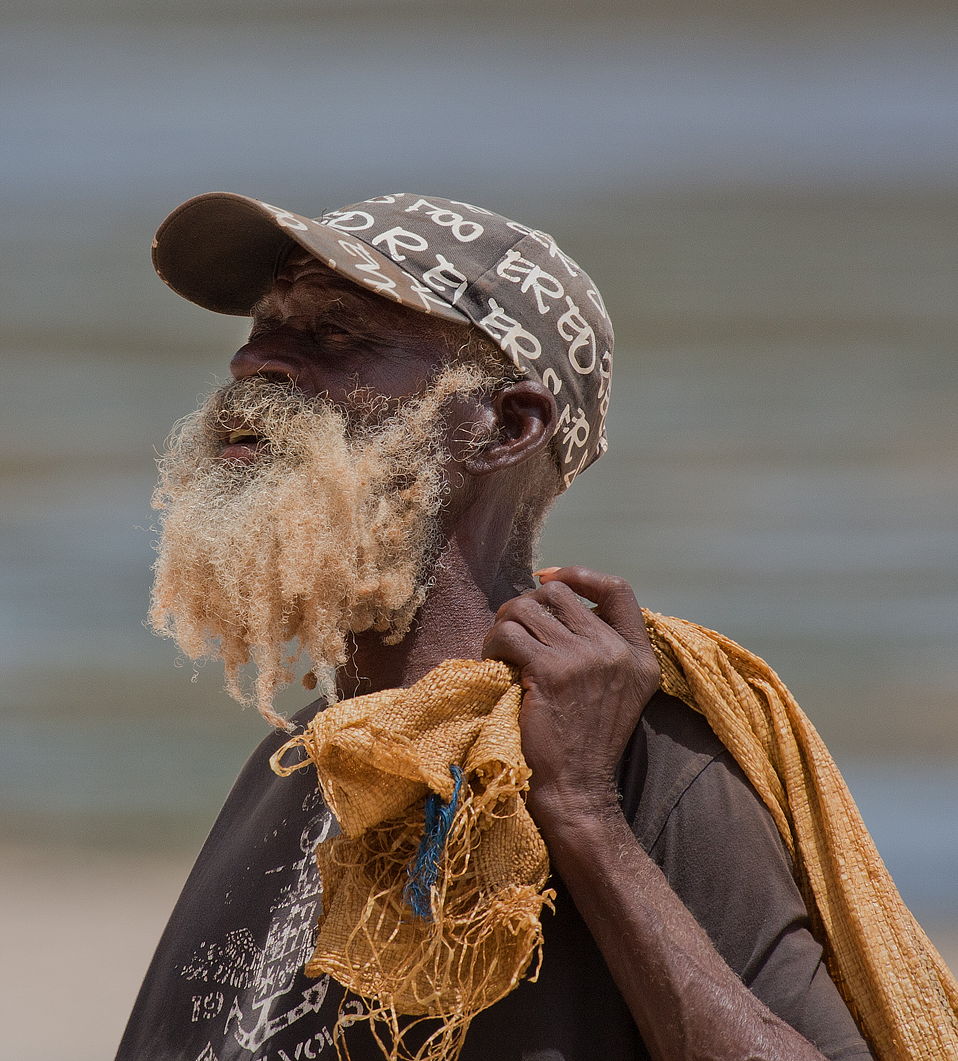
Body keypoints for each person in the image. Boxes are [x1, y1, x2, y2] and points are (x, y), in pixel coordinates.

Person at [117, 192, 874, 1061]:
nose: (254, 360)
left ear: (506, 425)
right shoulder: (299, 760)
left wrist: (586, 817)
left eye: (334, 334)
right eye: (262, 329)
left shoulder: (636, 758)